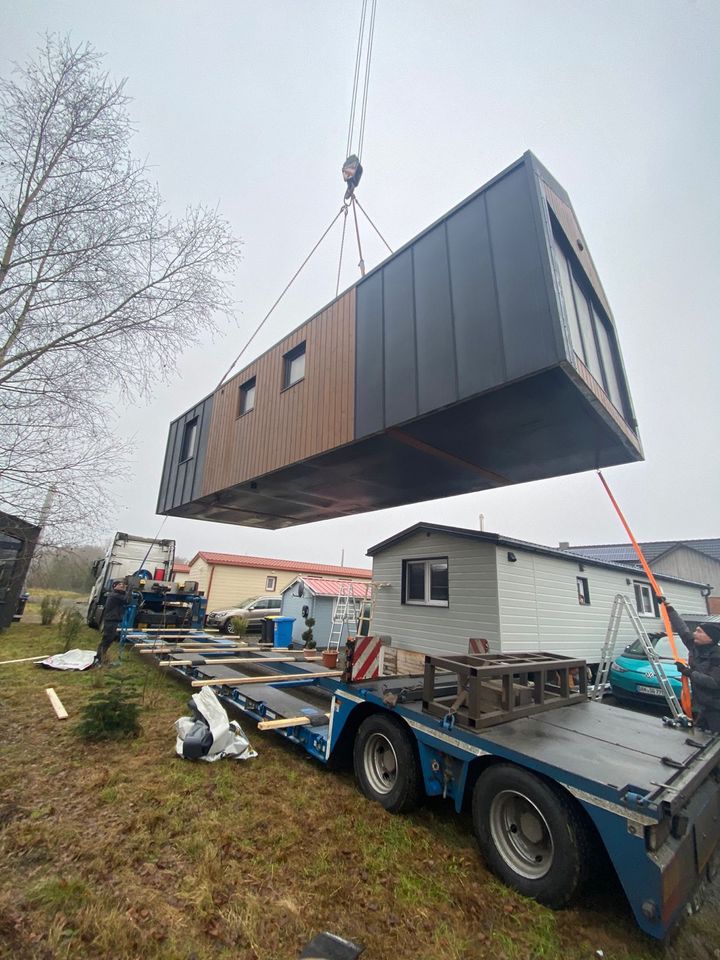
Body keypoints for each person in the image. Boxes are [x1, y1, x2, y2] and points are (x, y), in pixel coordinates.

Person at [663, 602, 720, 733]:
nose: (694, 633)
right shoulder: (695, 646)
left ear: (710, 638)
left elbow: (714, 682)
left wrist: (688, 672)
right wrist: (669, 609)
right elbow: (682, 629)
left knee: (714, 742)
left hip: (716, 707)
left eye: (699, 632)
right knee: (700, 734)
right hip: (703, 705)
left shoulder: (717, 656)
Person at [94, 580, 129, 666]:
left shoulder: (118, 595)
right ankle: (98, 659)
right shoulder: (114, 595)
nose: (122, 586)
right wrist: (130, 589)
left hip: (113, 620)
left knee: (109, 639)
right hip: (111, 621)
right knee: (107, 640)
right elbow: (127, 600)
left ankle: (101, 658)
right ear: (114, 587)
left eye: (123, 585)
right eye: (119, 585)